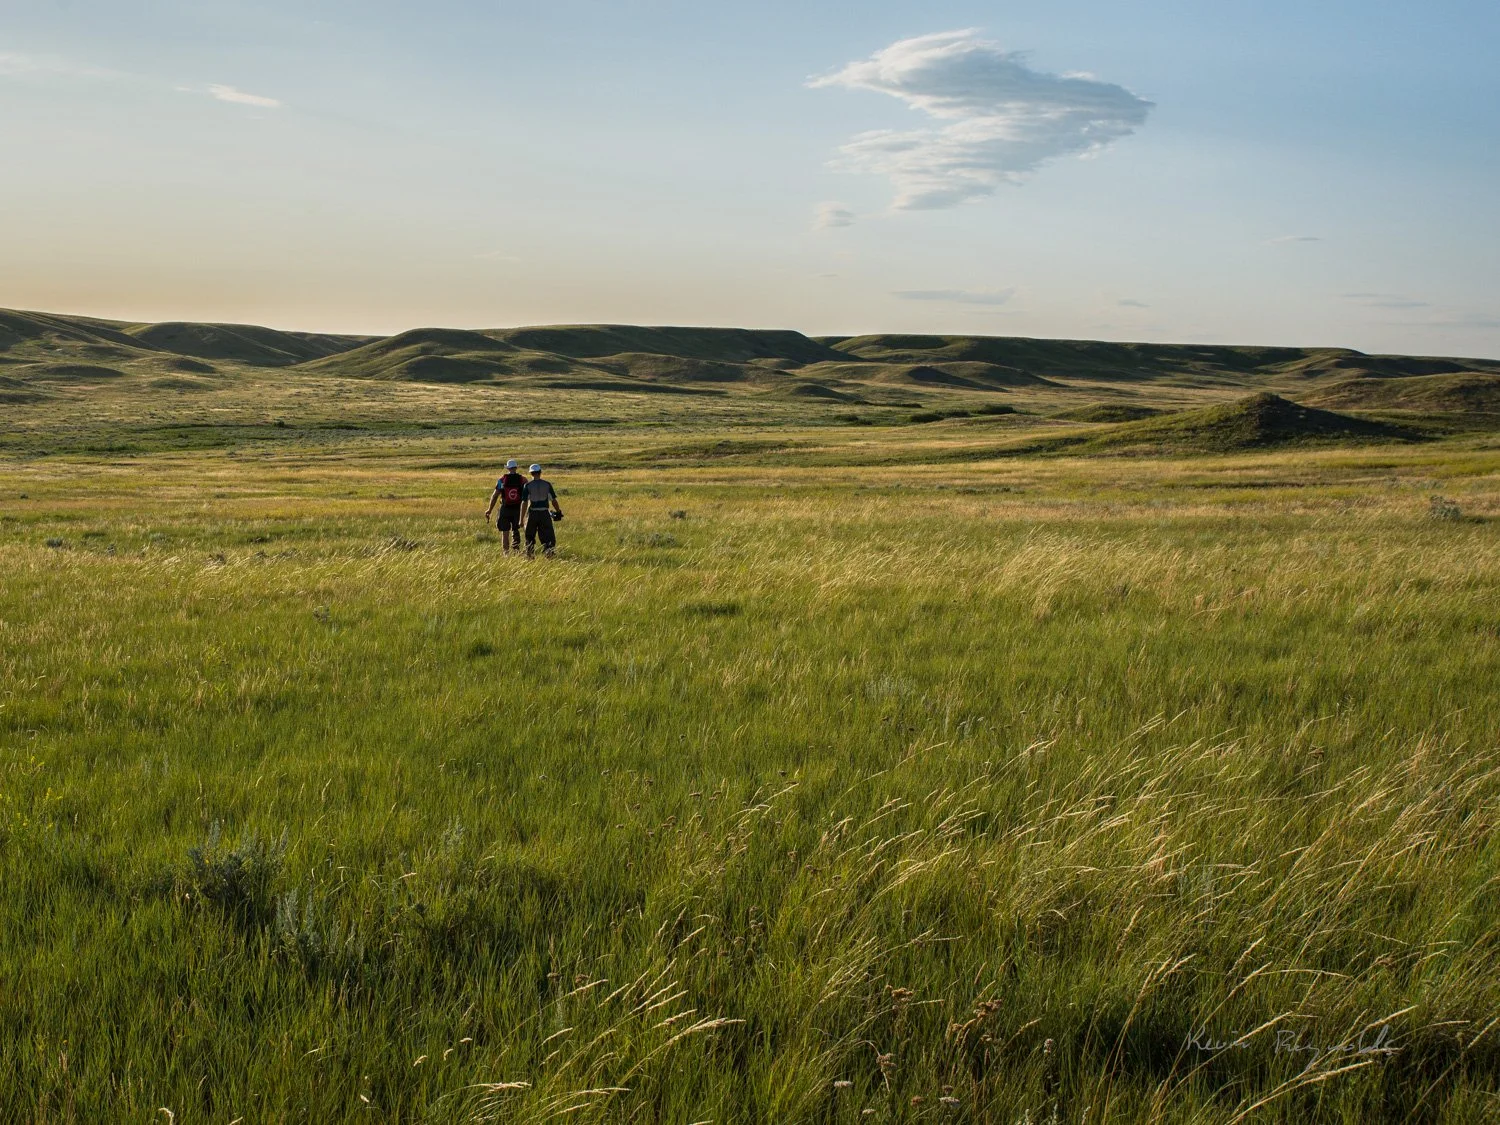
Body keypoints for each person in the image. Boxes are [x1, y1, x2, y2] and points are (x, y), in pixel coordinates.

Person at [485, 459, 528, 555]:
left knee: (505, 532)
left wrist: (489, 509)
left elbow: (495, 496)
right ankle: (517, 551)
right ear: (516, 468)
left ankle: (506, 553)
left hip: (505, 508)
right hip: (518, 508)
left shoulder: (501, 480)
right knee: (516, 529)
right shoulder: (523, 480)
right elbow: (528, 494)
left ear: (508, 468)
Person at [522, 463, 564, 558]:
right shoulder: (547, 484)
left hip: (532, 513)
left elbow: (524, 503)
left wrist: (521, 519)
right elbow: (553, 501)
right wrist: (558, 511)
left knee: (529, 536)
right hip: (544, 513)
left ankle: (529, 555)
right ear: (540, 472)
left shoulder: (527, 486)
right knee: (548, 535)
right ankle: (549, 553)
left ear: (531, 473)